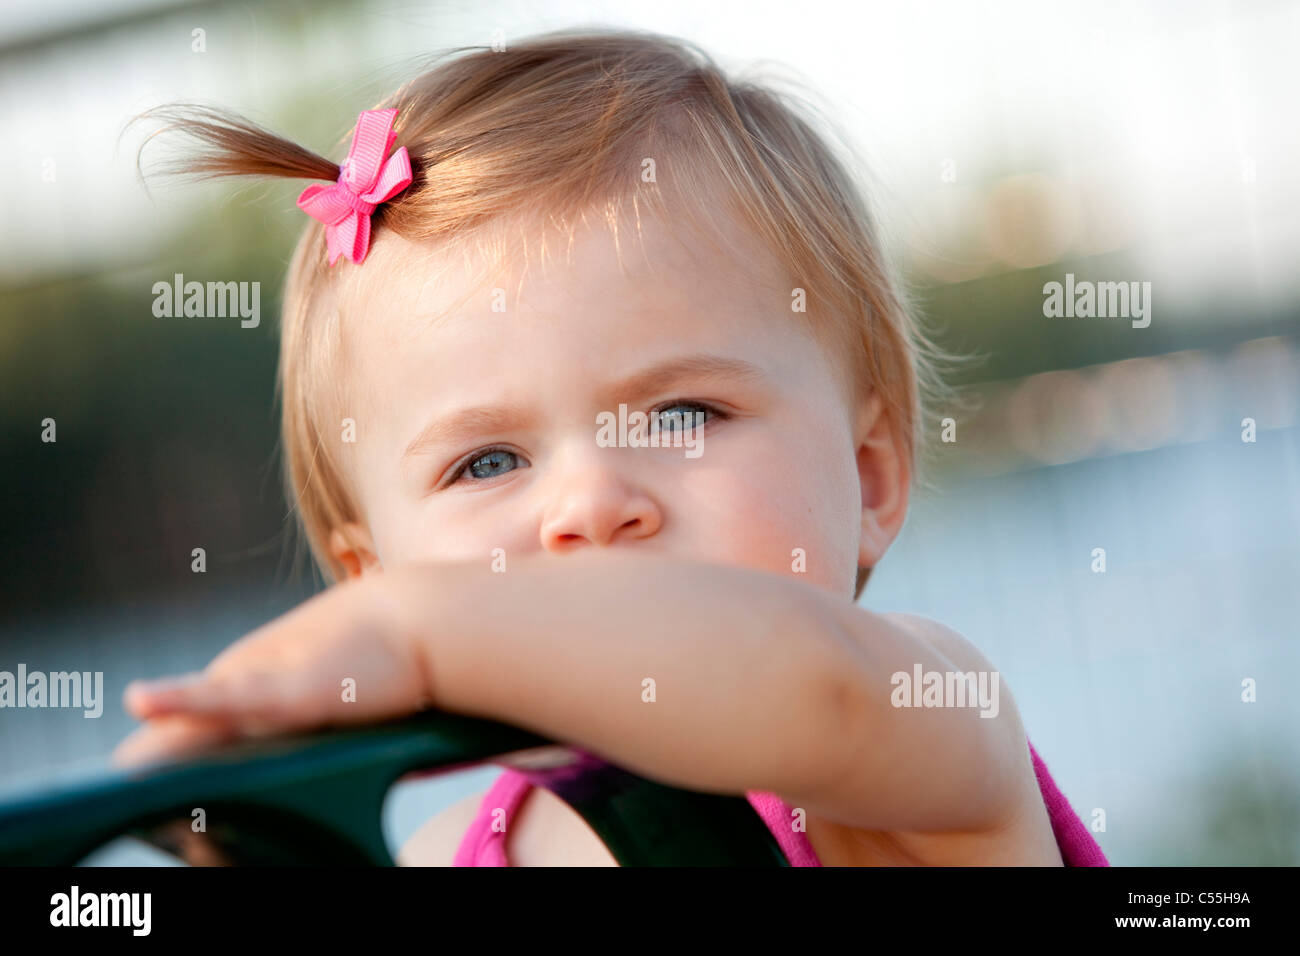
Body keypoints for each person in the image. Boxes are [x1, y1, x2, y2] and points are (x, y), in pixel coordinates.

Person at [113, 28, 1108, 867]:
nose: (588, 502)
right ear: (364, 571)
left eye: (682, 415)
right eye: (487, 461)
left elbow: (815, 682)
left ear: (870, 475)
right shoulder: (444, 855)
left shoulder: (915, 742)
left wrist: (428, 630)